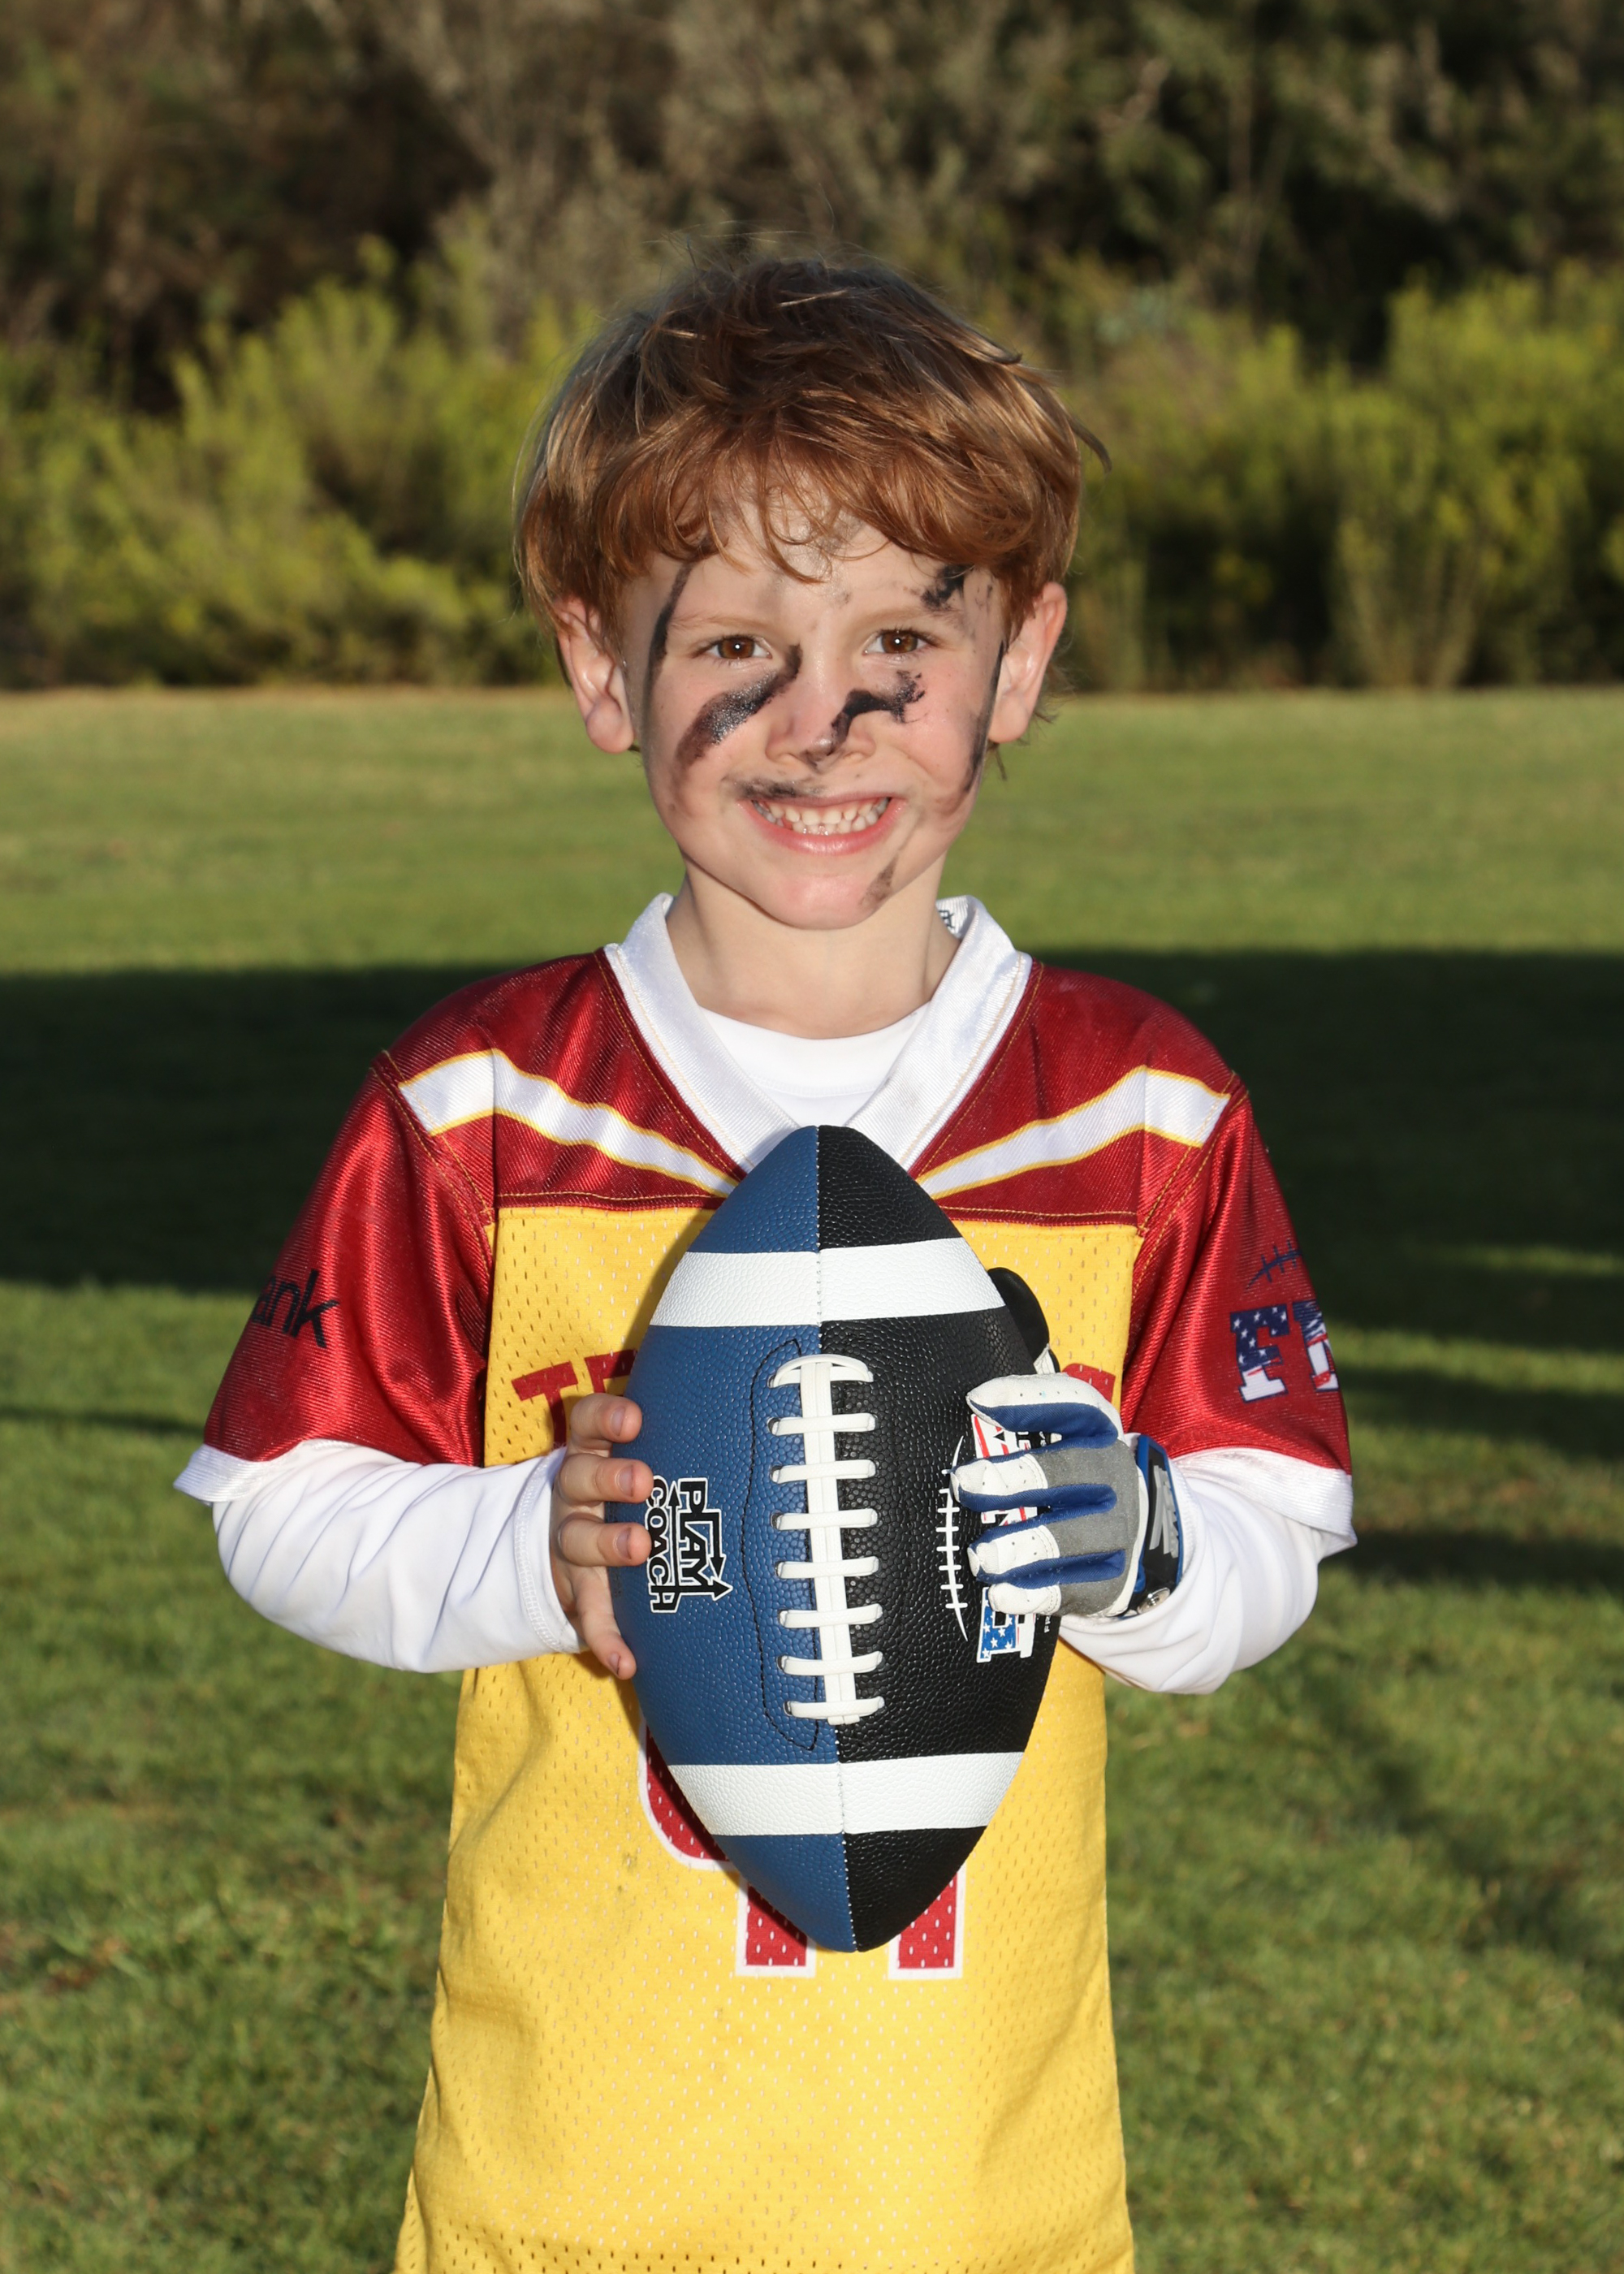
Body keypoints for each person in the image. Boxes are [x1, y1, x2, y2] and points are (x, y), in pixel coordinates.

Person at [175, 256, 1352, 2274]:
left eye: (903, 637)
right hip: (568, 2184)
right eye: (735, 641)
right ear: (601, 666)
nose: (824, 721)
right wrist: (528, 1544)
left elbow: (1277, 1526)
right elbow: (278, 1504)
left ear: (1021, 657)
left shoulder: (1137, 1110)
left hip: (976, 2195)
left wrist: (1145, 1543)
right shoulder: (485, 1103)